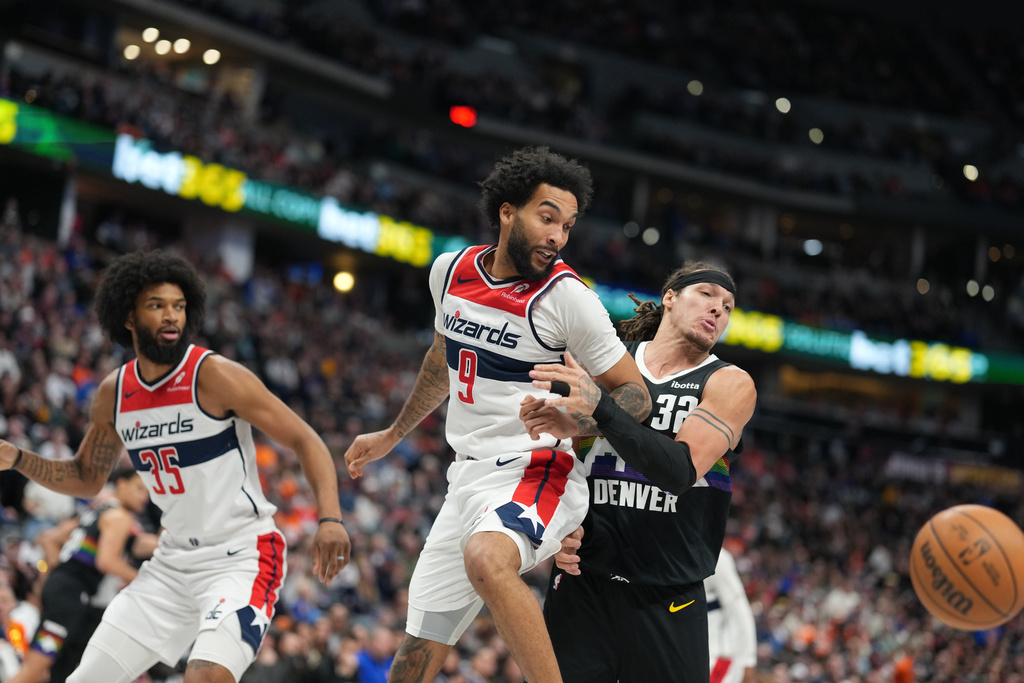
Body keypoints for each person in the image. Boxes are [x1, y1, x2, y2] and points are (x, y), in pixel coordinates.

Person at [344, 146, 651, 683]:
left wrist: (576, 422)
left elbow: (636, 396)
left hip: (535, 467)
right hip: (465, 476)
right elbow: (443, 358)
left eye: (568, 226)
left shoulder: (569, 298)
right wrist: (393, 434)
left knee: (488, 558)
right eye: (547, 217)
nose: (558, 236)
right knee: (413, 659)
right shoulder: (451, 271)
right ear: (508, 211)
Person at [0, 249, 351, 683]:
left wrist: (330, 517)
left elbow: (306, 439)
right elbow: (86, 478)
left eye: (179, 307)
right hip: (171, 563)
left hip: (240, 556)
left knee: (204, 676)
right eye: (157, 306)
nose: (172, 317)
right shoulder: (115, 393)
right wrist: (17, 458)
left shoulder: (214, 374)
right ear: (128, 316)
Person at [522, 262, 757, 683]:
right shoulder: (609, 368)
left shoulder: (729, 382)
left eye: (728, 306)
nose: (718, 309)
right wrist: (557, 528)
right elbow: (564, 460)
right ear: (670, 297)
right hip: (582, 585)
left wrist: (602, 407)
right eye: (706, 294)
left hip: (668, 596)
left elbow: (680, 470)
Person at [10, 468, 159, 683]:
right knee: (34, 671)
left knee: (62, 673)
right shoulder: (119, 516)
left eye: (147, 492)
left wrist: (56, 576)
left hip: (72, 595)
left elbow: (50, 539)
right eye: (139, 489)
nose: (144, 497)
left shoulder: (97, 511)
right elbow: (107, 561)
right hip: (71, 593)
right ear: (121, 485)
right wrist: (146, 582)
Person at [705, 547, 757, 683]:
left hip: (716, 659)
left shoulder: (714, 556)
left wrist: (748, 660)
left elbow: (741, 612)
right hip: (681, 658)